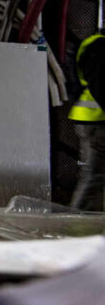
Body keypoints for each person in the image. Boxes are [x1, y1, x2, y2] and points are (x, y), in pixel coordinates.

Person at [69, 33, 105, 210]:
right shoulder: (99, 46)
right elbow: (99, 84)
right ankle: (77, 227)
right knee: (94, 177)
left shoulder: (93, 43)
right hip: (95, 121)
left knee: (95, 177)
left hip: (93, 119)